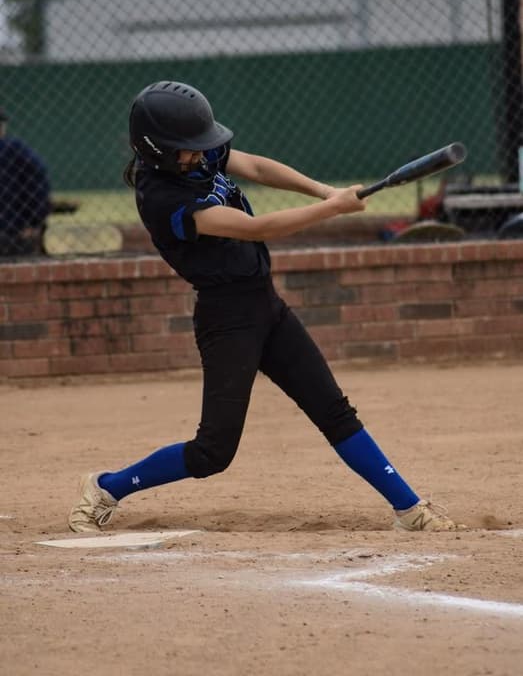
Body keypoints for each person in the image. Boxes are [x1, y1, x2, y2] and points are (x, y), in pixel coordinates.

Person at [68, 80, 464, 534]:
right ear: (156, 150)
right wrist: (333, 210)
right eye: (189, 150)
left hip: (264, 302)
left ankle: (409, 509)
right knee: (212, 452)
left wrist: (323, 191)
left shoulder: (194, 156)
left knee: (334, 411)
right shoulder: (162, 198)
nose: (201, 155)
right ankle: (105, 486)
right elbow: (258, 229)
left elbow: (254, 164)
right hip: (227, 318)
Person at [0, 106, 51, 256]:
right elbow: (38, 184)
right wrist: (34, 221)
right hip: (14, 232)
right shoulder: (14, 149)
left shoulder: (13, 150)